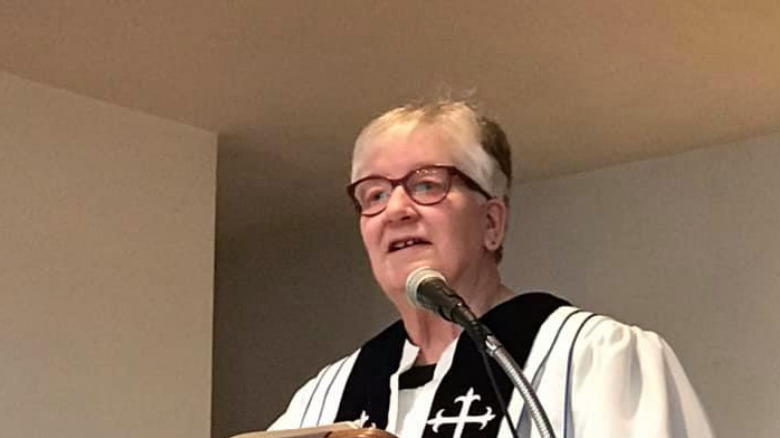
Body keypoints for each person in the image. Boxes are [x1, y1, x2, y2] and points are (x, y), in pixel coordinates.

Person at [268, 101, 714, 437]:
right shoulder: (326, 398)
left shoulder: (595, 360)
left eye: (427, 184)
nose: (396, 209)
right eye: (374, 195)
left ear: (492, 222)